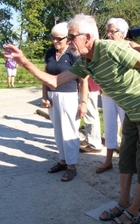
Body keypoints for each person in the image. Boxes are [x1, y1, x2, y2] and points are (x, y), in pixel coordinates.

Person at [5, 13, 140, 224]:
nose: (68, 42)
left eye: (71, 37)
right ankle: (122, 202)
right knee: (126, 159)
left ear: (88, 37)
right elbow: (55, 81)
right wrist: (25, 62)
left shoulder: (112, 48)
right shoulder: (85, 62)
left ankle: (134, 210)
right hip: (132, 113)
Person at [95, 17, 140, 174]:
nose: (108, 34)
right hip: (109, 94)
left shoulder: (131, 46)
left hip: (127, 95)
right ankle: (108, 160)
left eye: (112, 31)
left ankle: (132, 162)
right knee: (109, 126)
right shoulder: (104, 47)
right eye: (107, 31)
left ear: (122, 33)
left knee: (129, 129)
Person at [42, 22, 88, 182]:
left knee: (69, 132)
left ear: (67, 39)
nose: (55, 42)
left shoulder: (73, 55)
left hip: (69, 97)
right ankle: (62, 161)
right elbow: (45, 77)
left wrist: (83, 102)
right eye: (53, 39)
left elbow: (84, 81)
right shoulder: (49, 53)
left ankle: (71, 166)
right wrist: (45, 95)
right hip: (53, 97)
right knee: (58, 131)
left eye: (59, 39)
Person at [79, 76, 103, 153]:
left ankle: (95, 144)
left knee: (91, 115)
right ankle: (89, 138)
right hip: (88, 84)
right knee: (89, 115)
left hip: (89, 86)